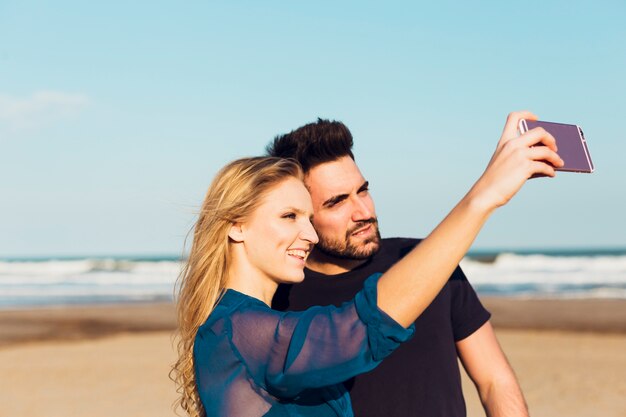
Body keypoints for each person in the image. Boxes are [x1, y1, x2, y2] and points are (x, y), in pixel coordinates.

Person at [171, 111, 563, 417]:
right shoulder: (236, 330)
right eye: (291, 216)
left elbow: (495, 380)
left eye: (363, 190)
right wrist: (483, 197)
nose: (306, 234)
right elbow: (358, 329)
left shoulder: (247, 325)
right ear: (236, 226)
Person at [267, 113, 537, 417]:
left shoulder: (428, 258)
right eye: (337, 202)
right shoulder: (279, 299)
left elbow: (494, 381)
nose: (363, 211)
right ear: (298, 213)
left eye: (363, 190)